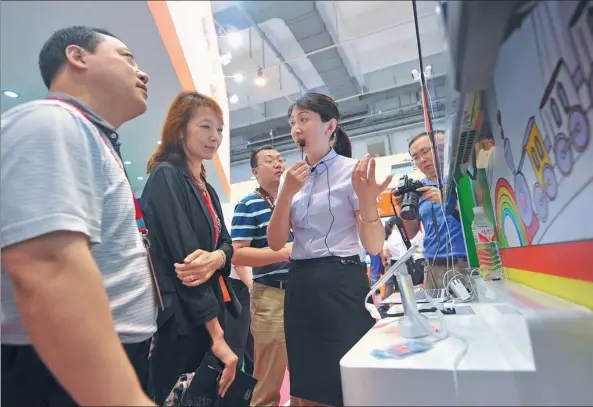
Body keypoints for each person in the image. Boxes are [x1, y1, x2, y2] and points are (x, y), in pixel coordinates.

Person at [1, 26, 156, 406]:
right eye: (127, 57)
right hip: (63, 368)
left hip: (93, 359)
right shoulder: (51, 122)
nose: (143, 73)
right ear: (78, 56)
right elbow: (46, 268)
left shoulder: (89, 135)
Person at [267, 92, 392, 407]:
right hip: (301, 283)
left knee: (348, 377)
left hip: (342, 281)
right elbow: (275, 242)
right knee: (308, 380)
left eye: (304, 119)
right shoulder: (291, 179)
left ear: (330, 125)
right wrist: (286, 194)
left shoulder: (352, 172)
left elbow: (374, 245)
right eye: (293, 122)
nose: (296, 128)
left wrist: (367, 201)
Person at [141, 91, 238, 404]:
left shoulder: (205, 186)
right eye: (206, 127)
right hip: (184, 319)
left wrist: (217, 257)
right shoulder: (166, 176)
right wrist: (217, 336)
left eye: (220, 129)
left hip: (210, 311)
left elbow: (226, 243)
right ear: (180, 130)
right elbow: (188, 266)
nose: (215, 137)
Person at [231, 146, 292, 406]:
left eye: (280, 159)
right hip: (271, 295)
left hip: (304, 293)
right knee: (267, 378)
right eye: (269, 161)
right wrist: (283, 252)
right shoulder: (248, 205)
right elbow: (237, 255)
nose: (278, 164)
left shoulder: (294, 199)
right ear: (256, 171)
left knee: (307, 373)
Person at [395, 131, 467, 290]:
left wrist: (449, 201)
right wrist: (403, 208)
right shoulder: (417, 189)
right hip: (432, 265)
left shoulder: (462, 178)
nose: (422, 160)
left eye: (425, 152)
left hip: (466, 261)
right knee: (435, 313)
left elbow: (479, 216)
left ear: (441, 149)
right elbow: (411, 233)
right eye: (415, 157)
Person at [222, 206, 254, 377]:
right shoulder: (243, 213)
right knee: (237, 345)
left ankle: (251, 393)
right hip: (238, 288)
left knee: (252, 346)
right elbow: (237, 261)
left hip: (251, 287)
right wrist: (251, 286)